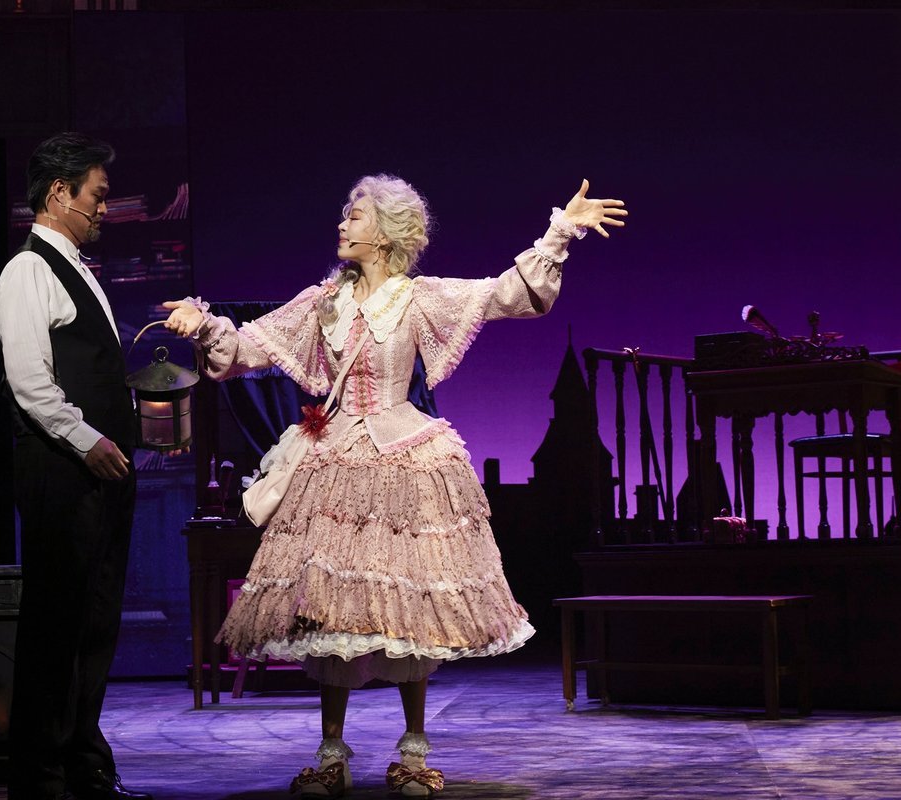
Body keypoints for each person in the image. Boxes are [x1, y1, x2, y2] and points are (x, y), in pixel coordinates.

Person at [162, 174, 626, 797]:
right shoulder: (322, 302)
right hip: (334, 463)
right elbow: (246, 349)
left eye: (354, 216)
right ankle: (331, 754)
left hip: (404, 456)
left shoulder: (418, 298)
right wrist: (203, 324)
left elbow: (508, 295)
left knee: (409, 606)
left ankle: (413, 749)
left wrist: (560, 231)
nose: (342, 224)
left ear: (385, 235)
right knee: (329, 608)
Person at [0, 132, 152, 800]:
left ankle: (84, 762)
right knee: (56, 622)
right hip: (62, 470)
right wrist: (88, 440)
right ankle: (41, 774)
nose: (105, 209)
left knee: (95, 621)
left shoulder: (80, 271)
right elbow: (30, 382)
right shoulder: (27, 271)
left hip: (102, 472)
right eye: (98, 195)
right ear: (60, 193)